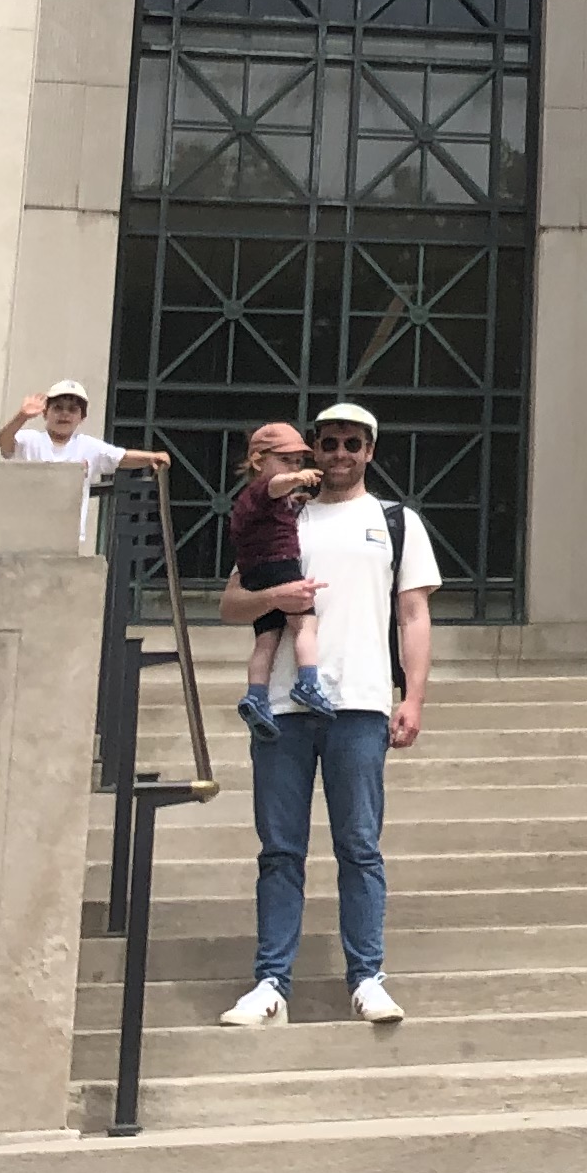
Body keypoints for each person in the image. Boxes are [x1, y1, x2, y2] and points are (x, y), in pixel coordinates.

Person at [217, 401, 437, 1031]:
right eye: (330, 443)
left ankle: (367, 976)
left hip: (361, 702)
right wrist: (273, 597)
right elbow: (232, 603)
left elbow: (414, 613)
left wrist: (413, 696)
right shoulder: (281, 512)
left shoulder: (395, 522)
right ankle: (270, 982)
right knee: (280, 850)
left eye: (353, 444)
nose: (340, 455)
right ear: (315, 449)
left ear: (369, 450)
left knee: (359, 846)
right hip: (283, 706)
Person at [226, 421, 330, 733]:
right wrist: (296, 479)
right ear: (258, 461)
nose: (294, 467)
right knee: (304, 624)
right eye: (285, 460)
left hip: (253, 571)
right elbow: (276, 486)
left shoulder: (251, 499)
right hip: (279, 563)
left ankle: (256, 696)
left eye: (298, 461)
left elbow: (274, 501)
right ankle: (308, 681)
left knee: (265, 641)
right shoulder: (263, 487)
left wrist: (293, 498)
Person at [0, 380, 169, 479]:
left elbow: (121, 458)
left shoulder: (88, 446)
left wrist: (152, 457)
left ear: (82, 418)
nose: (64, 414)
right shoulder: (30, 440)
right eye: (57, 408)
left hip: (68, 533)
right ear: (45, 413)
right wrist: (22, 416)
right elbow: (4, 442)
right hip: (24, 530)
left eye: (72, 410)